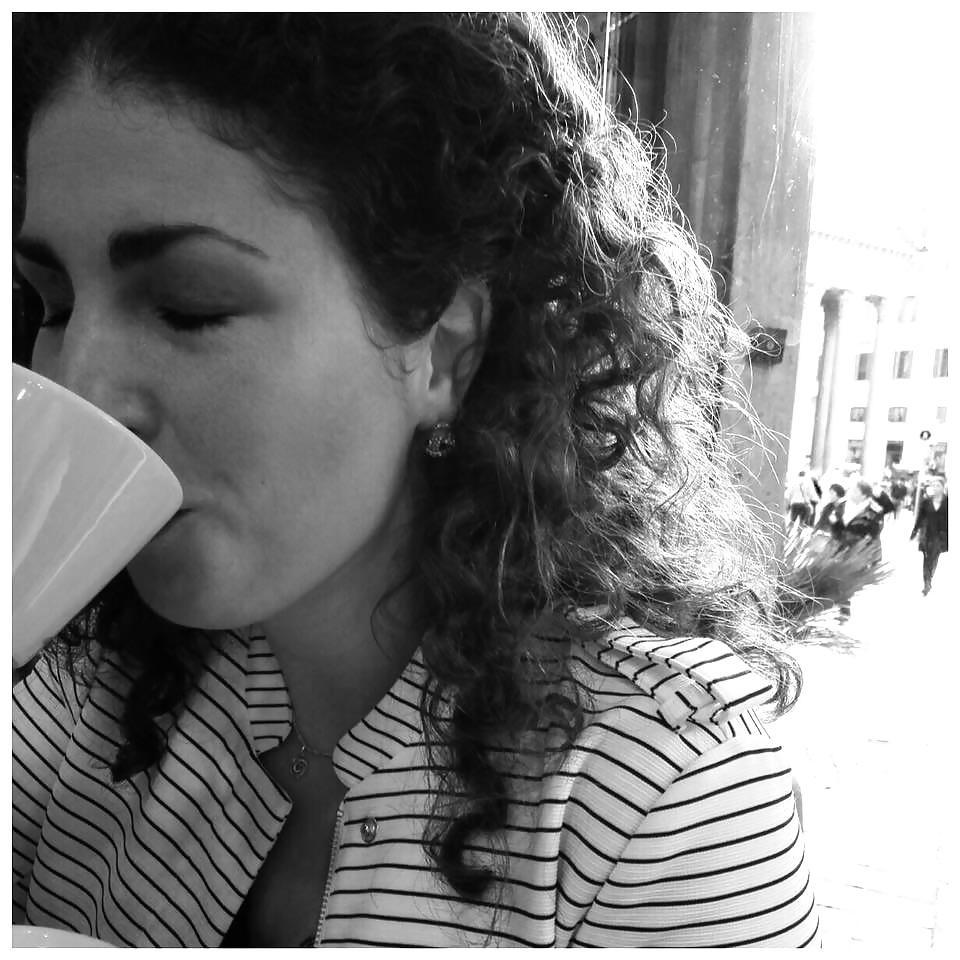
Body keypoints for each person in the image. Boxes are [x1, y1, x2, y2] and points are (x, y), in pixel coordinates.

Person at [12, 13, 818, 948]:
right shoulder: (76, 684)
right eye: (52, 305)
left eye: (189, 306)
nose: (82, 388)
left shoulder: (664, 788)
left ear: (444, 352)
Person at [911, 477, 948, 595]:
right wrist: (914, 531)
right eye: (934, 485)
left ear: (943, 487)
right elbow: (920, 517)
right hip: (927, 534)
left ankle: (930, 575)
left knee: (934, 557)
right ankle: (927, 582)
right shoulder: (926, 502)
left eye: (938, 485)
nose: (935, 488)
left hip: (941, 536)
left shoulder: (948, 502)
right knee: (926, 558)